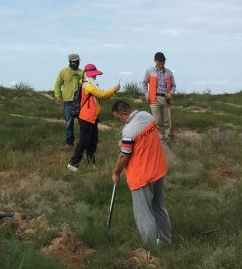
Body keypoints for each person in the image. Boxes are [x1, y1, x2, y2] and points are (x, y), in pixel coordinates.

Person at [111, 99, 172, 244]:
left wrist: (116, 172)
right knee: (159, 208)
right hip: (157, 170)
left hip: (142, 176)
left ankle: (150, 248)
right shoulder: (148, 117)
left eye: (119, 118)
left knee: (144, 214)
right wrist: (124, 142)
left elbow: (123, 155)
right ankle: (165, 241)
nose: (120, 122)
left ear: (124, 114)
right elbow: (140, 142)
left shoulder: (129, 130)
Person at [67, 64, 120, 172]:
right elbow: (102, 95)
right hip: (86, 118)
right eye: (94, 75)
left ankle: (91, 163)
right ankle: (73, 164)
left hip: (92, 118)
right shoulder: (88, 86)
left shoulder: (89, 84)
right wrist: (114, 90)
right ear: (89, 75)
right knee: (84, 141)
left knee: (92, 141)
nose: (95, 77)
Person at [142, 52, 176, 144]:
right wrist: (146, 94)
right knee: (157, 121)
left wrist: (171, 93)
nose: (162, 62)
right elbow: (144, 83)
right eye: (160, 60)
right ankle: (160, 142)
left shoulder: (169, 72)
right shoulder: (150, 71)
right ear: (155, 61)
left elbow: (173, 85)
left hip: (166, 99)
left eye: (163, 60)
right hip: (154, 99)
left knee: (167, 122)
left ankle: (167, 140)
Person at [54, 53, 84, 147]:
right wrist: (58, 96)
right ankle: (69, 143)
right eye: (75, 62)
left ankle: (82, 142)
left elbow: (87, 80)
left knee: (82, 122)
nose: (77, 63)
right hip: (68, 101)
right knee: (68, 123)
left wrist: (78, 75)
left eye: (78, 61)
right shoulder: (63, 71)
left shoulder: (82, 72)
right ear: (70, 62)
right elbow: (57, 83)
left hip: (80, 101)